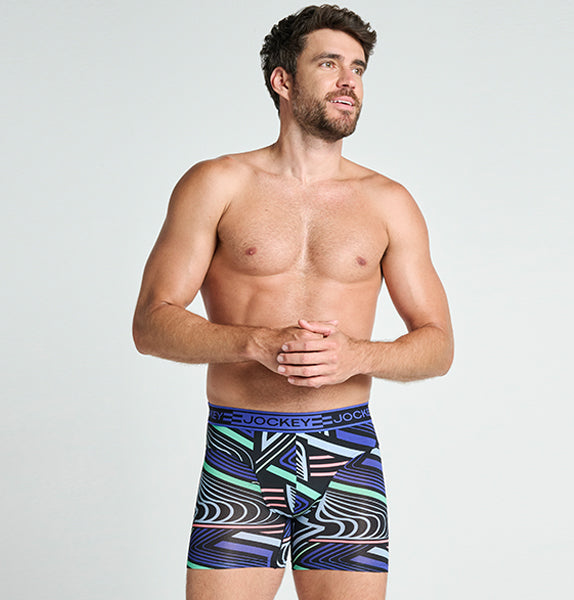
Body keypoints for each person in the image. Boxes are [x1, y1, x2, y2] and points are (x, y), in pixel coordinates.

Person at [133, 5, 453, 599]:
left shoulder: (389, 202)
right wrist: (254, 342)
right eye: (329, 64)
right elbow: (151, 324)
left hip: (345, 454)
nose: (349, 81)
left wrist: (357, 355)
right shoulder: (217, 184)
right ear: (282, 80)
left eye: (357, 68)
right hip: (240, 453)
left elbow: (438, 346)